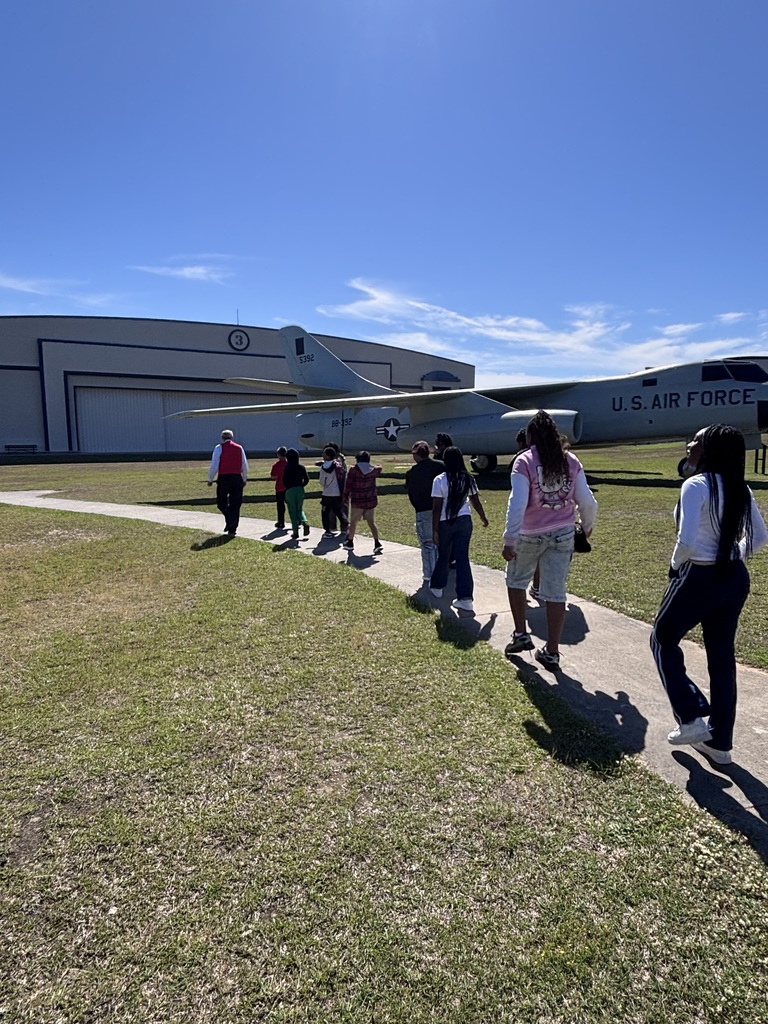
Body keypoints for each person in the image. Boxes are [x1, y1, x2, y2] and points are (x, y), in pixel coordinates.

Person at [650, 424, 767, 765]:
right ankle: (720, 743)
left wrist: (675, 566)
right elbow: (760, 538)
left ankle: (690, 719)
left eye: (697, 441)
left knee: (662, 639)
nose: (689, 445)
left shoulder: (696, 485)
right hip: (733, 579)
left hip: (698, 576)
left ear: (710, 451)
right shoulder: (740, 488)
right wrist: (732, 554)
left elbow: (685, 541)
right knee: (721, 658)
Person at [502, 410, 597, 670]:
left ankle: (521, 633)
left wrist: (510, 538)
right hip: (563, 532)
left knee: (516, 581)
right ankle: (552, 651)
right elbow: (587, 500)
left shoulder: (524, 461)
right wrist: (586, 527)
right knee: (555, 592)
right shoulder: (570, 460)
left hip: (529, 534)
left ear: (530, 436)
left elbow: (518, 503)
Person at [430, 446, 489, 612]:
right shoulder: (467, 478)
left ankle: (437, 586)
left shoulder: (440, 480)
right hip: (464, 520)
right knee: (462, 558)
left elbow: (436, 507)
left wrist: (435, 530)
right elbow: (475, 500)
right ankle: (465, 598)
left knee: (444, 555)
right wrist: (483, 517)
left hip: (445, 521)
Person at [405, 440, 443, 582]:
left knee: (427, 544)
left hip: (423, 511)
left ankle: (429, 574)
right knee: (440, 543)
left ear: (416, 454)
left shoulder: (412, 473)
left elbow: (411, 494)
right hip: (441, 510)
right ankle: (441, 570)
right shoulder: (440, 467)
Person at [207, 428, 248, 535]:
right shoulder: (239, 448)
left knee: (221, 502)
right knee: (235, 503)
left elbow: (215, 464)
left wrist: (210, 478)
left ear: (222, 438)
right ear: (232, 437)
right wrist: (244, 478)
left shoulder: (219, 448)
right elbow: (244, 464)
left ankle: (229, 520)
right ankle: (232, 526)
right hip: (236, 477)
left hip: (224, 477)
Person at [342, 451, 383, 554]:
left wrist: (345, 497)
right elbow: (379, 468)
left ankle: (350, 542)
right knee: (371, 522)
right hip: (370, 500)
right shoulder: (374, 470)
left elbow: (348, 485)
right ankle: (377, 542)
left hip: (357, 500)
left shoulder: (353, 470)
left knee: (354, 522)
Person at [318, 445, 349, 537]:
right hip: (337, 492)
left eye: (324, 453)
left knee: (325, 513)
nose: (323, 455)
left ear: (327, 456)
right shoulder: (338, 465)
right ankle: (346, 525)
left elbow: (322, 481)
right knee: (339, 511)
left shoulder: (323, 467)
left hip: (327, 493)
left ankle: (328, 531)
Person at [282, 448, 311, 540]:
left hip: (290, 490)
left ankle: (295, 532)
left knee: (292, 511)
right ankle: (304, 522)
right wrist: (301, 485)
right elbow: (306, 479)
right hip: (300, 489)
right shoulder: (301, 468)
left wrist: (288, 488)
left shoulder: (287, 468)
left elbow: (284, 481)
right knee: (299, 509)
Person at [270, 446, 288, 529]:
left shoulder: (276, 465)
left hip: (279, 487)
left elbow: (273, 476)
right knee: (292, 505)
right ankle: (298, 520)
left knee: (280, 506)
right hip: (288, 487)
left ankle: (281, 521)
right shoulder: (288, 464)